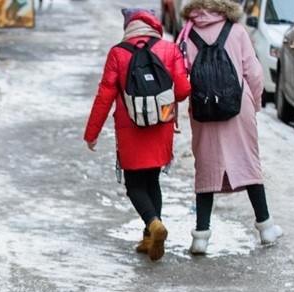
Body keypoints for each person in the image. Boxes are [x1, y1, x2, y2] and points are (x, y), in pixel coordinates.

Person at [84, 7, 191, 262]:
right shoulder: (169, 49)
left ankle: (153, 224)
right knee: (152, 179)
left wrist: (92, 132)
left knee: (134, 184)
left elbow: (105, 95)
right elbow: (183, 90)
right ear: (154, 23)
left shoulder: (118, 53)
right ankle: (149, 236)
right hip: (161, 124)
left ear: (128, 26)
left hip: (130, 126)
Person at [180, 0, 283, 255]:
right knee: (248, 163)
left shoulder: (188, 33)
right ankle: (266, 227)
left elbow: (180, 74)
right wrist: (254, 103)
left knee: (206, 168)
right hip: (238, 107)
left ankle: (201, 236)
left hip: (203, 109)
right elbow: (254, 72)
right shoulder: (236, 30)